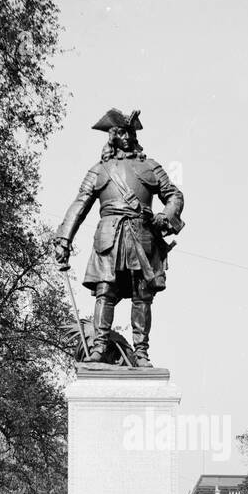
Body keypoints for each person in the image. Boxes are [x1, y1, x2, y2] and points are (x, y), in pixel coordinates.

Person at [52, 108, 185, 367]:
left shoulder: (150, 166)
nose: (126, 137)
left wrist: (165, 216)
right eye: (121, 132)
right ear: (113, 135)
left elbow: (174, 195)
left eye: (130, 132)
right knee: (106, 292)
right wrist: (63, 239)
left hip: (142, 235)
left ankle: (142, 351)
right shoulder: (99, 170)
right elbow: (79, 205)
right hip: (109, 237)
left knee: (142, 295)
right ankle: (99, 348)